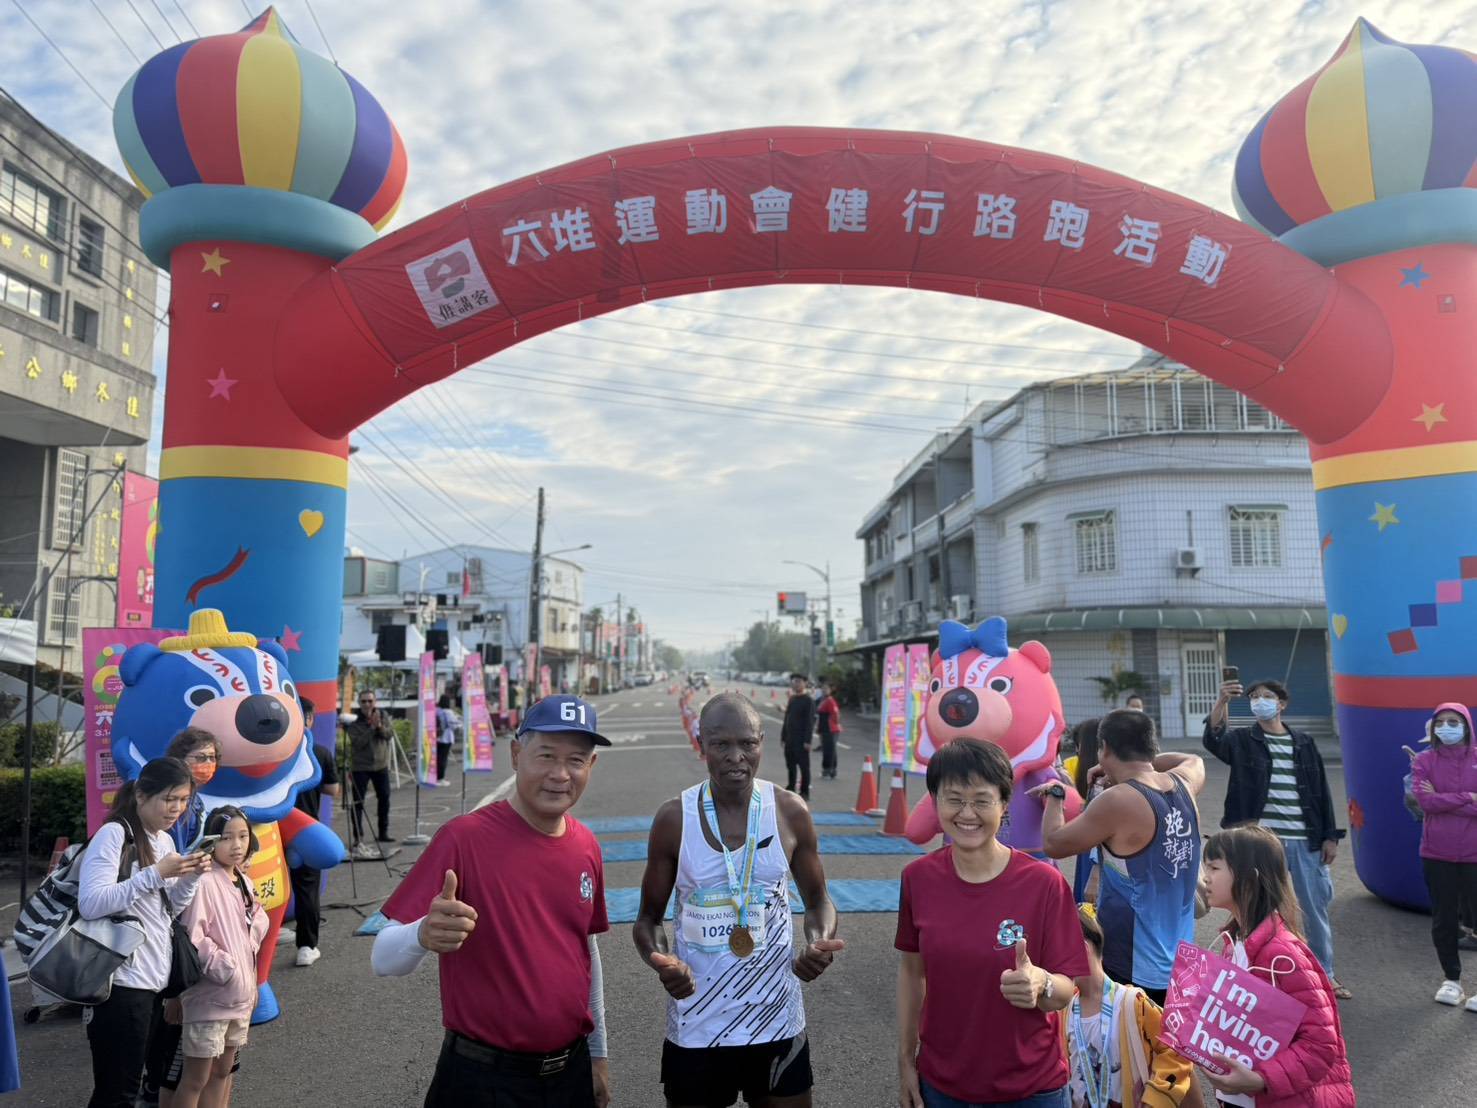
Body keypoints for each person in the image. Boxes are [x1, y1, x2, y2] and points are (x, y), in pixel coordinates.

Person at [371, 694, 612, 1108]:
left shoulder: (586, 845)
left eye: (575, 760)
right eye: (546, 755)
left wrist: (598, 1054)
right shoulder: (463, 838)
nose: (560, 774)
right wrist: (422, 934)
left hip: (569, 1074)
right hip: (482, 1080)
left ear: (590, 765)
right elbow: (382, 957)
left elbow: (585, 952)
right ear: (516, 755)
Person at [634, 693, 842, 1108]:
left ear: (761, 742)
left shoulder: (789, 812)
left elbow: (819, 900)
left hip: (776, 1018)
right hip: (697, 1022)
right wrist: (663, 962)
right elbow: (648, 919)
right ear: (701, 744)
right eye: (721, 744)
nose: (735, 757)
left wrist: (818, 941)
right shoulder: (675, 818)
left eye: (747, 743)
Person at [896, 738, 1088, 1107]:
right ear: (935, 802)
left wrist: (1041, 982)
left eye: (982, 800)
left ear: (1004, 804)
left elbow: (1066, 989)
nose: (967, 813)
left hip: (1031, 1088)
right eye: (954, 799)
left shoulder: (1044, 884)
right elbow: (911, 972)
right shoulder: (917, 879)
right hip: (941, 1084)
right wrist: (905, 1059)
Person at [1037, 708, 1206, 1005]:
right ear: (1150, 746)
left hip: (1133, 964)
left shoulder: (1117, 800)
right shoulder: (1185, 783)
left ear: (1104, 748)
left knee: (1130, 1036)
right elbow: (1193, 759)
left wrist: (1055, 795)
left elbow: (1053, 843)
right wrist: (1133, 765)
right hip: (1180, 961)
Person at [77, 757, 210, 1108]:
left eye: (183, 800)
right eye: (169, 799)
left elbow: (168, 910)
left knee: (131, 1085)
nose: (176, 808)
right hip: (119, 983)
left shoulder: (163, 840)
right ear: (141, 795)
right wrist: (155, 874)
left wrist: (192, 876)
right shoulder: (113, 834)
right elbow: (91, 903)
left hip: (153, 981)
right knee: (117, 1092)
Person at [1204, 678, 1349, 998]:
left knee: (1313, 909)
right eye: (1254, 697)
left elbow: (1321, 790)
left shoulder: (1303, 743)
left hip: (1304, 838)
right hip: (1259, 844)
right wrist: (1222, 702)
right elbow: (1214, 741)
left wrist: (1330, 836)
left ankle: (1324, 975)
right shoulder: (1243, 740)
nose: (1260, 701)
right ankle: (1255, 973)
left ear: (1281, 704)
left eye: (1267, 696)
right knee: (1254, 907)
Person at [1196, 826, 1354, 1107]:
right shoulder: (1234, 941)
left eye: (1214, 867)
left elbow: (1320, 1045)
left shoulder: (1283, 955)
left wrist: (1260, 1080)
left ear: (1249, 879)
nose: (1205, 876)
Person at [174, 807, 269, 1108]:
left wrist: (249, 981)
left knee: (222, 1071)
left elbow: (250, 937)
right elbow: (193, 936)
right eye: (227, 838)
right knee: (195, 1078)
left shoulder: (243, 880)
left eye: (243, 836)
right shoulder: (203, 881)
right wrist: (227, 969)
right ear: (211, 841)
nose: (237, 845)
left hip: (238, 996)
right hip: (210, 997)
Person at [1066, 904, 1202, 1108]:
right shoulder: (1064, 1010)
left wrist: (1157, 1098)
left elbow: (1175, 1049)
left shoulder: (1132, 1002)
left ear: (1082, 949)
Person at [1410, 702, 1477, 1010]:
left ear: (1466, 725)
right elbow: (1426, 802)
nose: (1446, 727)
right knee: (1444, 918)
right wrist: (1468, 798)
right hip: (1437, 852)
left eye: (1453, 721)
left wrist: (1443, 799)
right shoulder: (1424, 760)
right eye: (1441, 722)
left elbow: (1436, 801)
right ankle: (1451, 980)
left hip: (1474, 854)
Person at [288, 697, 339, 968]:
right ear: (308, 718)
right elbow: (333, 790)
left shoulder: (276, 753)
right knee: (307, 889)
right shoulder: (319, 752)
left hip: (271, 829)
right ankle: (306, 946)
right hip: (304, 831)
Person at [347, 690, 396, 858]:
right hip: (360, 767)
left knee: (384, 798)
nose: (367, 704)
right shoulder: (354, 722)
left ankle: (383, 832)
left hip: (380, 766)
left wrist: (379, 726)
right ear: (359, 703)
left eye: (370, 701)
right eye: (364, 701)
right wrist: (371, 728)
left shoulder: (383, 716)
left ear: (375, 702)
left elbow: (389, 735)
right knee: (357, 803)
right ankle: (358, 837)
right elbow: (357, 743)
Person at [1060, 718, 1102, 903]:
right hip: (1093, 851)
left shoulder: (1102, 781)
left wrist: (1096, 871)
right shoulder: (1105, 776)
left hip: (1095, 854)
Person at [164, 728, 223, 854]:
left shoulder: (195, 797)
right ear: (181, 759)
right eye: (200, 758)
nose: (208, 763)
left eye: (212, 757)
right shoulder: (175, 800)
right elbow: (174, 853)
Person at [781, 673, 816, 800]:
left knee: (804, 767)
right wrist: (783, 737)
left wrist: (808, 740)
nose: (796, 684)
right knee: (790, 765)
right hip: (790, 739)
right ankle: (791, 787)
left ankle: (804, 792)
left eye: (799, 681)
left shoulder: (808, 701)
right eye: (794, 681)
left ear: (805, 683)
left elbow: (810, 722)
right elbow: (787, 718)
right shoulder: (792, 699)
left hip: (801, 740)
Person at [815, 678, 843, 780]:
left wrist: (834, 725)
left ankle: (828, 771)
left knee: (829, 751)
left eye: (826, 688)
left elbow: (836, 714)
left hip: (830, 729)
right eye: (823, 688)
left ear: (831, 690)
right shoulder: (822, 700)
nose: (824, 690)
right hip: (824, 728)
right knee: (828, 750)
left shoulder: (830, 700)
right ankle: (830, 771)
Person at [435, 694, 459, 788]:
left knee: (437, 758)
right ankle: (440, 779)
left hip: (436, 737)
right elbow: (453, 725)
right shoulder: (448, 712)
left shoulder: (437, 710)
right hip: (446, 737)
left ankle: (436, 778)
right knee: (443, 759)